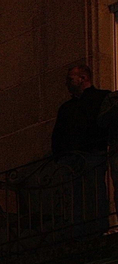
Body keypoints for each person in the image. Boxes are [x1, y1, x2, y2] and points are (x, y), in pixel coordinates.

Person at [52, 63, 112, 230]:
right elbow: (58, 134)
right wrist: (60, 157)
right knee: (73, 197)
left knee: (94, 192)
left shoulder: (101, 98)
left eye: (70, 79)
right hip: (71, 158)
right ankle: (78, 232)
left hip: (93, 154)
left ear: (83, 78)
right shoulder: (66, 108)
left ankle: (98, 228)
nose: (67, 83)